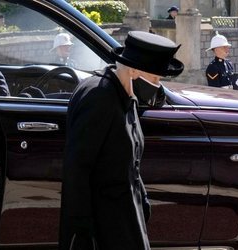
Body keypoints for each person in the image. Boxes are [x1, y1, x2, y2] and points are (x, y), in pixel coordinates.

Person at [59, 31, 184, 250]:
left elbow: (129, 161)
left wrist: (143, 201)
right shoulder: (99, 97)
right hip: (103, 228)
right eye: (155, 78)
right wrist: (82, 233)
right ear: (134, 70)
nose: (157, 85)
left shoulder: (127, 95)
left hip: (126, 219)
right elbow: (77, 170)